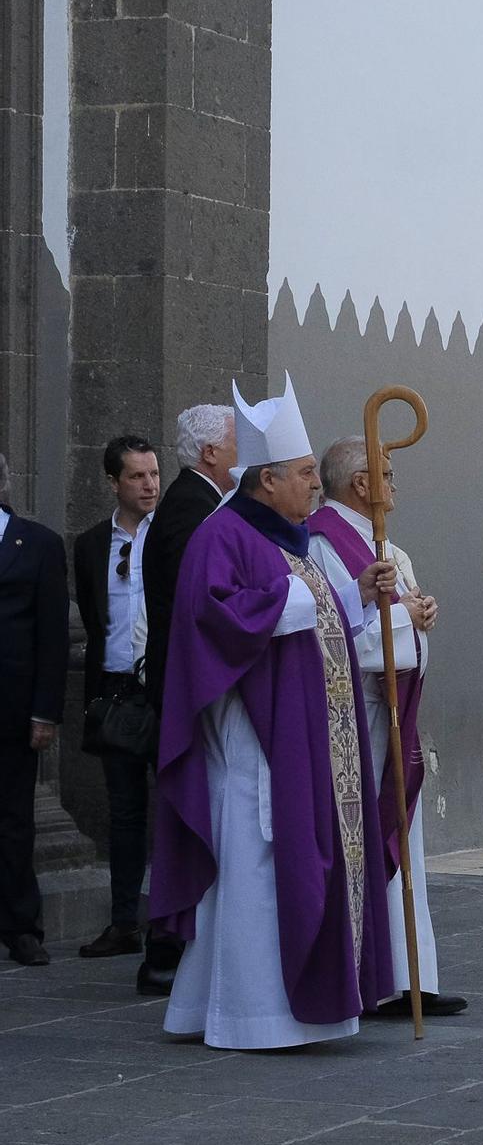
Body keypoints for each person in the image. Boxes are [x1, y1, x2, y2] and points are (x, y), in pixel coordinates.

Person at [150, 378, 402, 1049]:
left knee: (272, 862)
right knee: (257, 863)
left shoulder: (286, 537)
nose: (313, 485)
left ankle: (229, 1005)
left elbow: (314, 621)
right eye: (300, 474)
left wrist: (352, 595)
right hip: (254, 736)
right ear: (265, 481)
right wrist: (304, 600)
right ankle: (253, 1015)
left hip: (300, 730)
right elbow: (217, 617)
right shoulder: (221, 534)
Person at [306, 437, 463, 1019]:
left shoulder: (386, 544)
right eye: (388, 474)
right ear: (361, 484)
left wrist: (420, 616)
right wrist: (406, 619)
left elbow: (403, 622)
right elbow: (335, 635)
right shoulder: (325, 541)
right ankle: (375, 973)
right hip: (353, 718)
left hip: (394, 710)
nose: (396, 485)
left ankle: (410, 977)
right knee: (368, 837)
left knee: (406, 841)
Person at [137, 402, 236, 996]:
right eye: (233, 442)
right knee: (185, 811)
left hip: (195, 683)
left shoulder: (200, 503)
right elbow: (202, 604)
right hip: (189, 688)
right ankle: (166, 947)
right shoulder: (190, 510)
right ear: (208, 453)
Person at [74, 436, 162, 958]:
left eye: (154, 474)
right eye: (137, 476)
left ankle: (175, 923)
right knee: (124, 811)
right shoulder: (89, 545)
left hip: (163, 689)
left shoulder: (173, 534)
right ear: (113, 482)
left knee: (175, 802)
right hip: (114, 690)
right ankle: (124, 920)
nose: (149, 484)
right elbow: (92, 614)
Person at [0, 452, 68, 968]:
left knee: (14, 819)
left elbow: (51, 635)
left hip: (14, 708)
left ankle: (21, 926)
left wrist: (45, 710)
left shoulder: (39, 543)